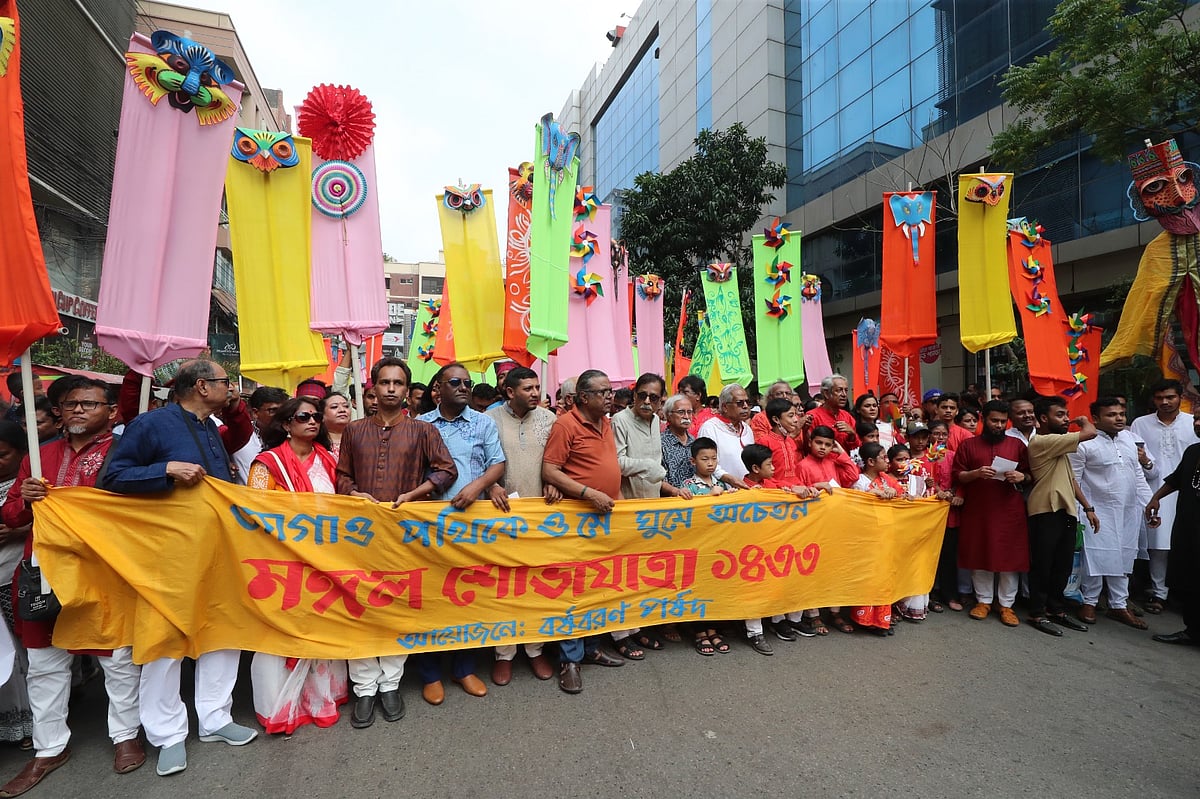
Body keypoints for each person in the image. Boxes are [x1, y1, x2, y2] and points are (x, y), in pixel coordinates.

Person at [100, 359, 257, 777]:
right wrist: (165, 470)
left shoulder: (210, 426)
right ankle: (167, 733)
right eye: (227, 382)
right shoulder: (151, 425)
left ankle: (215, 718)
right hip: (167, 555)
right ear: (202, 386)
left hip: (219, 550)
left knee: (224, 629)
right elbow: (112, 478)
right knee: (165, 640)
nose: (233, 388)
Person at [0, 379, 145, 796]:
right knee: (45, 664)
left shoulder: (124, 456)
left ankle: (125, 735)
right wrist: (23, 499)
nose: (78, 409)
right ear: (59, 411)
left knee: (117, 658)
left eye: (89, 403)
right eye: (70, 404)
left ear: (112, 412)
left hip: (104, 572)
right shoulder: (39, 457)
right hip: (43, 570)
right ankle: (49, 748)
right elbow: (10, 517)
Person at [336, 357, 457, 728]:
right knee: (358, 607)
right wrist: (356, 496)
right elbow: (342, 476)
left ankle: (390, 683)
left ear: (407, 390)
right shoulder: (354, 431)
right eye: (384, 382)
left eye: (398, 383)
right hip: (361, 535)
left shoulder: (422, 431)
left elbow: (446, 470)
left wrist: (415, 494)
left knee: (394, 606)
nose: (390, 389)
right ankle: (364, 688)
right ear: (372, 387)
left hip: (404, 534)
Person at [244, 397, 348, 734]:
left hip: (326, 559)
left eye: (316, 416)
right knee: (282, 633)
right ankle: (282, 706)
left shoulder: (330, 460)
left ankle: (321, 699)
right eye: (303, 416)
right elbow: (255, 511)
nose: (312, 421)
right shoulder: (267, 464)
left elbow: (345, 506)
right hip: (281, 561)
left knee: (323, 626)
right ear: (287, 424)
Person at [416, 364, 506, 703]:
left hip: (474, 523)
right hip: (430, 524)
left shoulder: (483, 422)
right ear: (439, 387)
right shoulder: (421, 424)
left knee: (470, 596)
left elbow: (496, 462)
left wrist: (478, 487)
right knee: (432, 598)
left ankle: (465, 668)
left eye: (468, 383)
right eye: (456, 382)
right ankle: (429, 673)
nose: (464, 387)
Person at [541, 369, 627, 693]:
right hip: (577, 520)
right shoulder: (566, 425)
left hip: (604, 518)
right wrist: (588, 493)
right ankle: (569, 660)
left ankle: (590, 648)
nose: (610, 396)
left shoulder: (606, 422)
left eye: (610, 391)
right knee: (573, 588)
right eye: (603, 392)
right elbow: (549, 469)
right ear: (584, 397)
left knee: (598, 583)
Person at [485, 367, 559, 685]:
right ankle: (504, 653)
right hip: (502, 516)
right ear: (509, 391)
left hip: (543, 517)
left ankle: (535, 648)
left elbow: (558, 462)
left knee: (537, 585)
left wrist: (556, 484)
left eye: (537, 387)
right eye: (527, 388)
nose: (534, 393)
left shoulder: (548, 419)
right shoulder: (488, 420)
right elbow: (481, 462)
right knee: (504, 586)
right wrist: (490, 488)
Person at [611, 373, 683, 657]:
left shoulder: (656, 421)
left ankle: (636, 628)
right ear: (634, 394)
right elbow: (616, 462)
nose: (647, 401)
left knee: (640, 574)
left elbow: (655, 466)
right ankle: (619, 634)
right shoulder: (619, 421)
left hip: (651, 506)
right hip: (627, 507)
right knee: (621, 574)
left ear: (661, 401)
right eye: (643, 395)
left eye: (654, 397)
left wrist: (667, 486)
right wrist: (648, 468)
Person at [1070, 397, 1156, 629]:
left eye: (1121, 414)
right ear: (1096, 418)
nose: (1118, 418)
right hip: (1096, 510)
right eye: (1111, 414)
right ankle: (1089, 600)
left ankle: (1119, 604)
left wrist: (1150, 504)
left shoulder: (1129, 439)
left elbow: (1138, 476)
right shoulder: (1083, 444)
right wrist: (1083, 510)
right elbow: (1073, 480)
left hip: (1128, 510)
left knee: (1123, 556)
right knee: (1096, 555)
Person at [952, 400, 1031, 628]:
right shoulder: (969, 445)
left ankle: (1006, 605)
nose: (998, 425)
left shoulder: (1017, 445)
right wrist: (976, 473)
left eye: (1002, 421)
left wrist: (1020, 477)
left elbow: (1029, 475)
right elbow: (958, 475)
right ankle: (984, 601)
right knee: (981, 554)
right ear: (983, 420)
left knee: (1009, 558)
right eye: (993, 420)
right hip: (979, 509)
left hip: (1009, 509)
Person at [1024, 396, 1098, 637]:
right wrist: (1082, 420)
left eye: (1067, 415)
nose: (1066, 419)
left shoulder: (1059, 447)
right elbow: (1090, 432)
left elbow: (1071, 479)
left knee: (1062, 565)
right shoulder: (1042, 442)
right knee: (1043, 566)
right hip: (1045, 510)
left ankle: (1056, 609)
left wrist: (1088, 508)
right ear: (1043, 418)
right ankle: (1037, 612)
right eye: (1061, 415)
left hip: (1066, 510)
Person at [1130, 379, 1199, 613]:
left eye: (1170, 397)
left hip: (1190, 492)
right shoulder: (1140, 424)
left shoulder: (1193, 422)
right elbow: (1137, 460)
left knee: (1186, 543)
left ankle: (1183, 595)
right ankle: (1159, 594)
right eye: (1160, 398)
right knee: (1158, 545)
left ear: (1181, 397)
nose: (1165, 402)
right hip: (1155, 490)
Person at [1144, 408, 1200, 646]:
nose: (1197, 423)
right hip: (1188, 526)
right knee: (1191, 579)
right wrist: (1155, 497)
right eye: (1196, 418)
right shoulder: (1193, 451)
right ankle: (1192, 631)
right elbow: (1177, 479)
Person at [0, 422, 33, 753]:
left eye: (2, 455)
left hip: (16, 576)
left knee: (24, 651)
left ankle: (33, 721)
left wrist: (20, 532)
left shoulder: (30, 481)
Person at [850, 442, 901, 635]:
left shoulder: (887, 479)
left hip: (887, 534)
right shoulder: (860, 482)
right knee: (869, 576)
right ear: (870, 461)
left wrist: (893, 492)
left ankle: (881, 620)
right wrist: (872, 494)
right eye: (884, 457)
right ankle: (864, 619)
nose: (887, 461)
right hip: (868, 537)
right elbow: (854, 502)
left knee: (885, 576)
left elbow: (901, 493)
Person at [921, 421, 967, 611]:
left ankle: (950, 594)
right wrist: (937, 489)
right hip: (928, 513)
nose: (940, 437)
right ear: (929, 436)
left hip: (950, 512)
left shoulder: (954, 456)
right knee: (928, 556)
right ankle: (929, 594)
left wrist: (957, 495)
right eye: (936, 434)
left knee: (949, 555)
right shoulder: (923, 458)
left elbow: (962, 479)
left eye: (943, 434)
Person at [696, 384, 754, 486]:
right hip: (720, 492)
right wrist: (730, 479)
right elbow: (705, 463)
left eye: (747, 402)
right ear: (725, 407)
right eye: (739, 403)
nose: (745, 406)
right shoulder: (710, 428)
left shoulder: (747, 429)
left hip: (747, 492)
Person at [231, 386, 287, 486]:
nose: (280, 415)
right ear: (255, 413)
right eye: (273, 410)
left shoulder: (291, 439)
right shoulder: (238, 438)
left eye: (283, 411)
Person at [809, 375, 858, 451]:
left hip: (845, 461)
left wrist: (852, 434)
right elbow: (808, 446)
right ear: (826, 393)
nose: (844, 395)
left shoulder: (847, 416)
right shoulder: (813, 416)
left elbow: (856, 449)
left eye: (846, 390)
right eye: (839, 390)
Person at [320, 391, 351, 459]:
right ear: (322, 415)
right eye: (334, 407)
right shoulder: (315, 444)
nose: (342, 410)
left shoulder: (361, 439)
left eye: (346, 406)